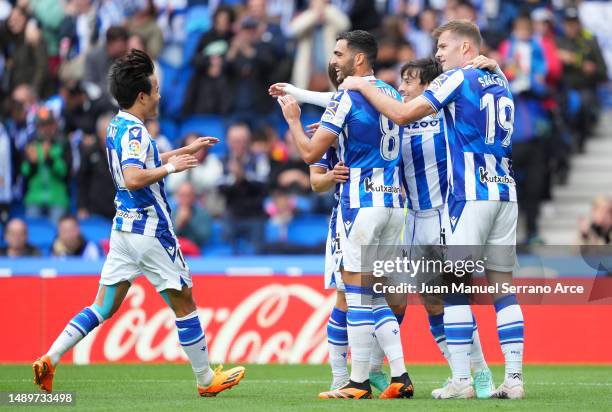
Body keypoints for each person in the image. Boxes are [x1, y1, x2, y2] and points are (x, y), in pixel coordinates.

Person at [32, 49, 245, 397]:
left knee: (102, 306)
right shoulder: (136, 133)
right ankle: (206, 380)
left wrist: (180, 151)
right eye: (156, 90)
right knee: (184, 301)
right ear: (142, 95)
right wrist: (173, 169)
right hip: (150, 231)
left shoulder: (118, 124)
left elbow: (142, 161)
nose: (159, 95)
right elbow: (133, 177)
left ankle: (49, 359)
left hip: (123, 232)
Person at [342, 20, 524, 400]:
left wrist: (362, 84)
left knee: (452, 291)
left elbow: (404, 115)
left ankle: (464, 379)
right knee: (503, 289)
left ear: (466, 49)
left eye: (443, 46)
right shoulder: (501, 80)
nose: (438, 54)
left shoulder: (454, 80)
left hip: (466, 199)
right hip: (505, 192)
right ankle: (514, 379)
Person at [278, 30, 412, 400]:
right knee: (376, 296)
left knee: (355, 295)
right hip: (392, 206)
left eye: (338, 53)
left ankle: (356, 383)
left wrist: (292, 118)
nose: (333, 59)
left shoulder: (349, 97)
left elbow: (309, 155)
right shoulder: (390, 94)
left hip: (361, 206)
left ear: (358, 60)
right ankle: (400, 375)